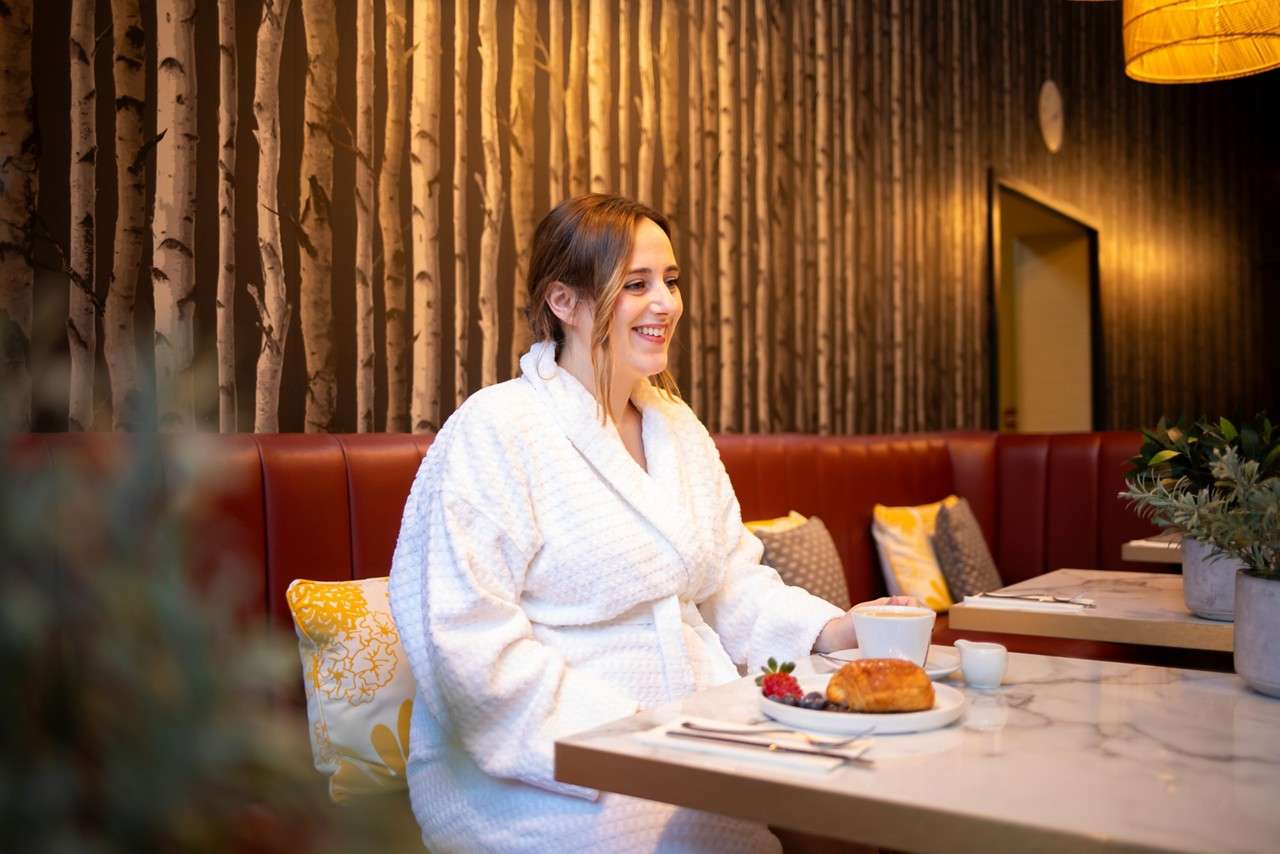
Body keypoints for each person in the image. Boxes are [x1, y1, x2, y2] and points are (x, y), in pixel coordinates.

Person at [389, 194, 916, 852]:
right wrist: (627, 732)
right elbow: (463, 643)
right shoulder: (497, 430)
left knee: (874, 802)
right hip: (551, 767)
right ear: (565, 302)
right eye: (636, 285)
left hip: (695, 739)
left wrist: (842, 627)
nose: (665, 303)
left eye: (670, 281)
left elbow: (728, 582)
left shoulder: (675, 426)